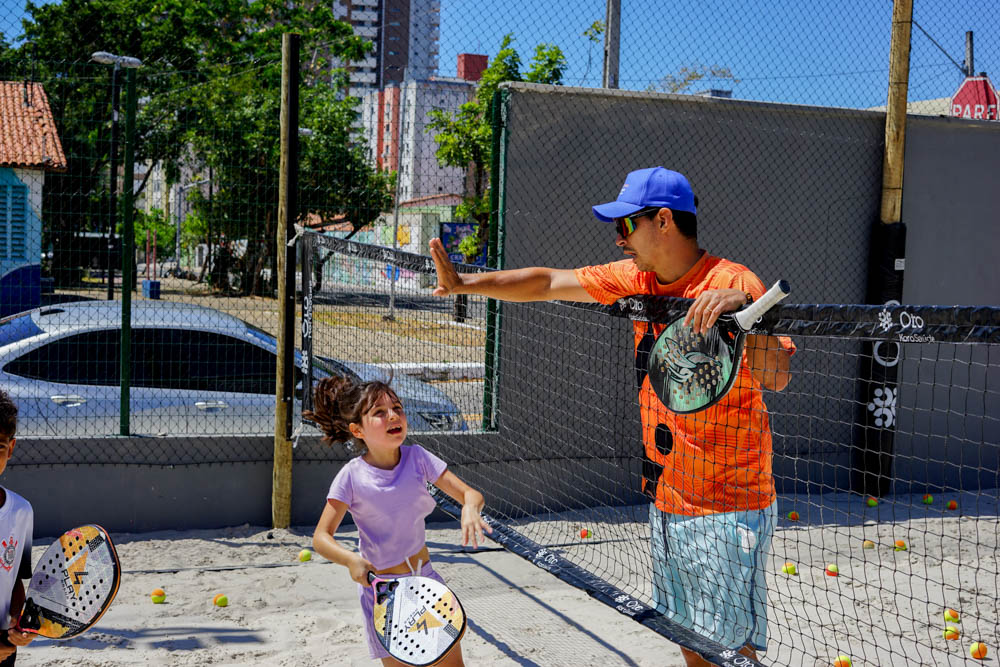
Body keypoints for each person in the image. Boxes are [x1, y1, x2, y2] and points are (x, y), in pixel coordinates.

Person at [428, 166, 795, 666]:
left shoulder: (732, 281)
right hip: (670, 497)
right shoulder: (637, 279)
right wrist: (464, 282)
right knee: (691, 642)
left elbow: (776, 377)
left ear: (663, 220)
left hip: (729, 500)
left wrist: (750, 308)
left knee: (732, 651)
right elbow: (547, 283)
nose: (619, 239)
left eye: (626, 225)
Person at [308, 375, 491, 667]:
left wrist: (470, 506)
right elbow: (321, 537)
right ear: (357, 430)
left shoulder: (417, 458)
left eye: (397, 407)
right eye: (379, 412)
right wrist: (350, 560)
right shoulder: (351, 476)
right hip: (383, 592)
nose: (393, 415)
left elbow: (471, 494)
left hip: (425, 581)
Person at [0, 390, 35, 666]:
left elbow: (15, 583)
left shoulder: (21, 511)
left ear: (10, 449)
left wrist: (16, 620)